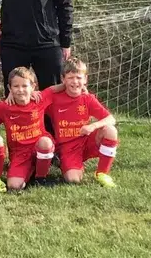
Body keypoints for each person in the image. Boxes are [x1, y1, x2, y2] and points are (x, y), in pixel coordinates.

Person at [47, 57, 118, 187]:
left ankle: (102, 173)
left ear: (85, 79)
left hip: (86, 141)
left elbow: (111, 119)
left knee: (110, 130)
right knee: (73, 180)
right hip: (67, 148)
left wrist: (93, 126)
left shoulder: (87, 98)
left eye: (79, 78)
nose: (75, 82)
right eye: (70, 78)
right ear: (63, 79)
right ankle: (72, 164)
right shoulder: (54, 99)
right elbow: (35, 99)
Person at [0, 67, 57, 190]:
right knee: (14, 186)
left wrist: (82, 88)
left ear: (33, 86)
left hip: (39, 146)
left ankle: (40, 178)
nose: (20, 90)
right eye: (16, 86)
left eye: (25, 86)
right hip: (20, 153)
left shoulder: (39, 98)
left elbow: (55, 88)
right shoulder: (5, 107)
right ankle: (31, 169)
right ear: (9, 88)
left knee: (45, 142)